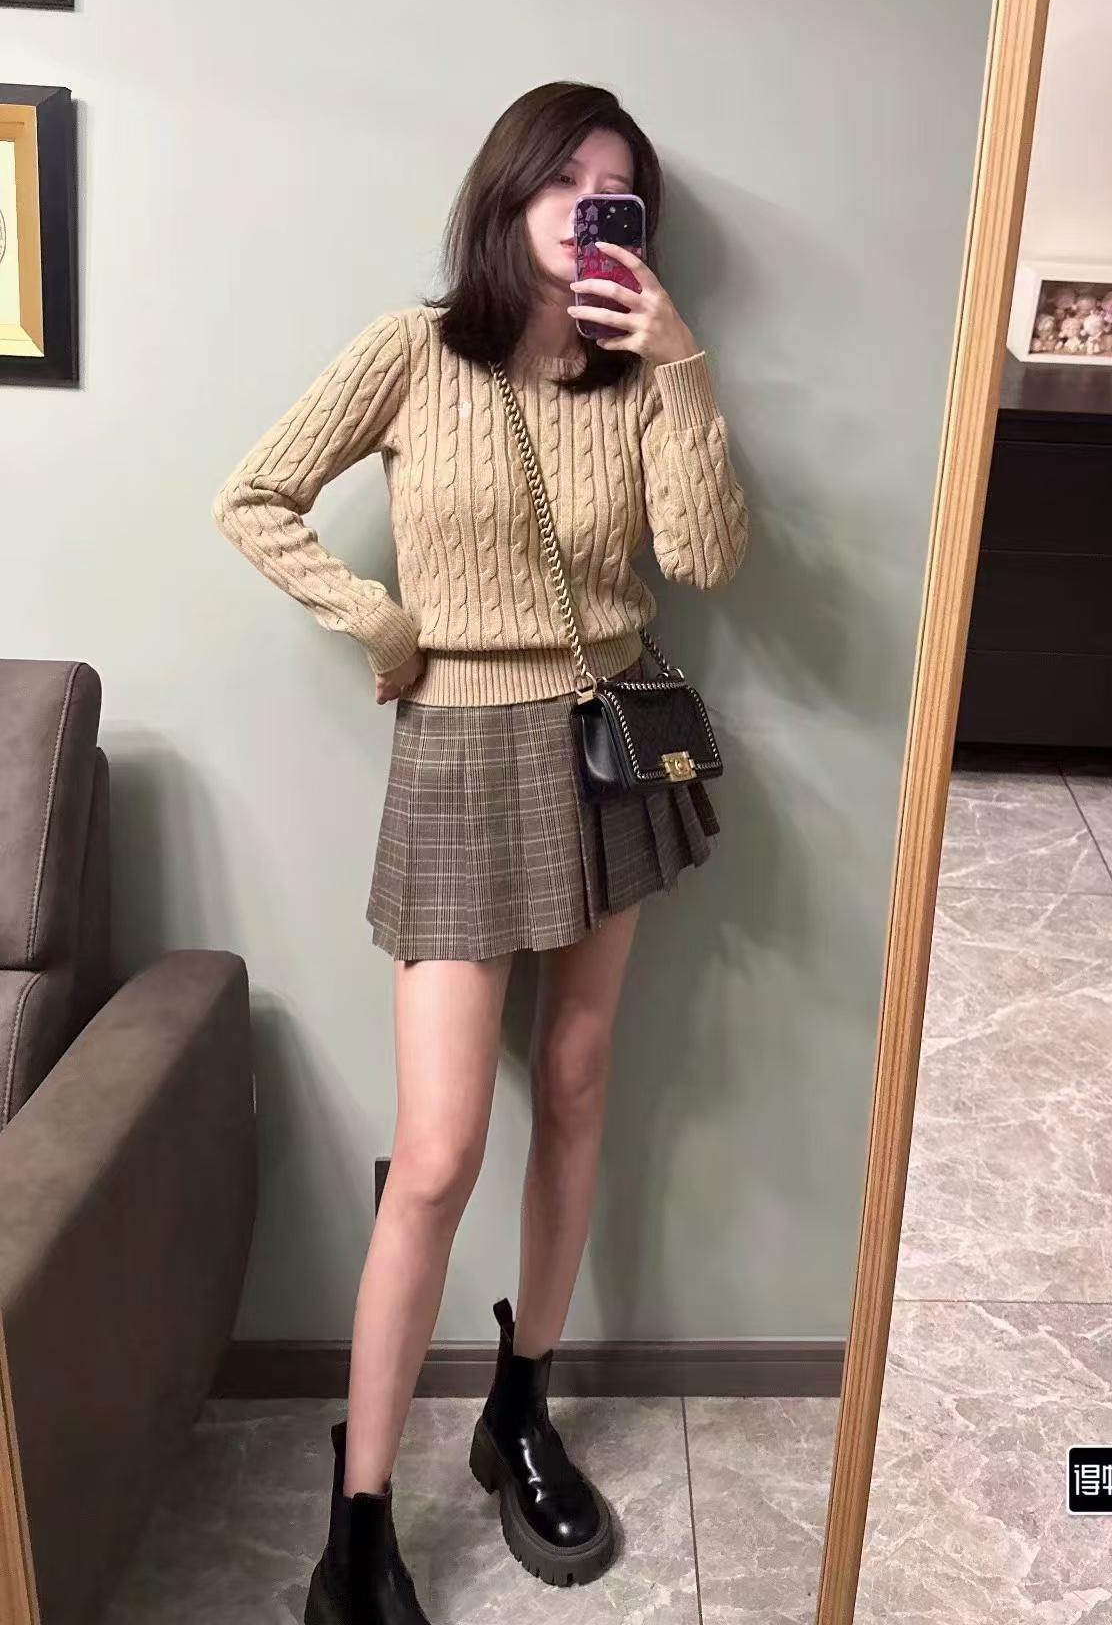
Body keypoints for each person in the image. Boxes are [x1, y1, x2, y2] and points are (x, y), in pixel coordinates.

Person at [212, 79, 749, 1625]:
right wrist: (382, 624)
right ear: (506, 195)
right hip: (457, 757)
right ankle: (360, 1513)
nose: (588, 208)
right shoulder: (412, 350)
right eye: (563, 179)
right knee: (439, 1151)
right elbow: (254, 496)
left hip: (605, 748)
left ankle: (519, 1405)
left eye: (616, 189)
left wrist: (682, 367)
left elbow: (705, 557)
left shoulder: (642, 377)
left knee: (575, 1090)